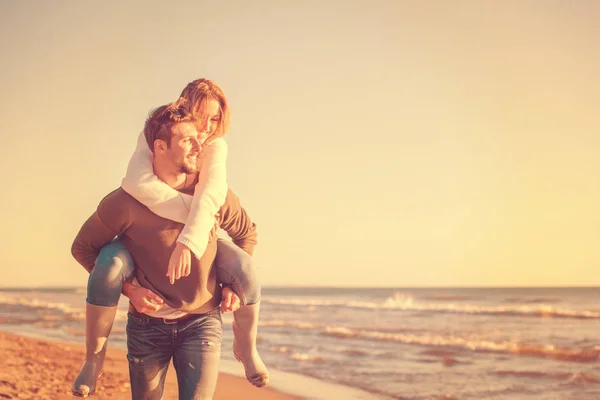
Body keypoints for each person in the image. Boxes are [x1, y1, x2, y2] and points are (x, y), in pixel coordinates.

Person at [72, 101, 259, 399]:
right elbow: (83, 248)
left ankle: (247, 350)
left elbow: (246, 234)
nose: (199, 147)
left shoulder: (213, 195)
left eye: (199, 139)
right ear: (160, 147)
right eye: (187, 140)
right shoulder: (126, 201)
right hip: (147, 327)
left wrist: (234, 288)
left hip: (202, 322)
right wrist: (130, 291)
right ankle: (93, 360)